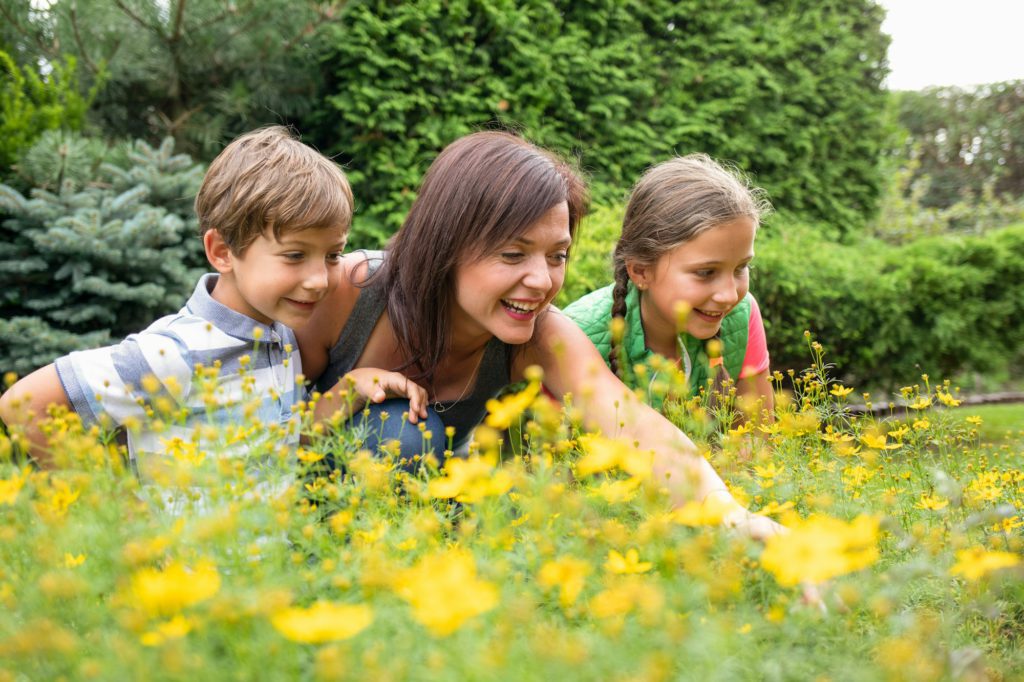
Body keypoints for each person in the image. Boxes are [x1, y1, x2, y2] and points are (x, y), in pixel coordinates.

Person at [298, 131, 781, 539]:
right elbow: (250, 418)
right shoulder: (343, 292)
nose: (542, 281)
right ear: (443, 243)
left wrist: (732, 516)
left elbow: (635, 426)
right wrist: (342, 396)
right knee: (398, 433)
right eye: (513, 255)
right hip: (293, 510)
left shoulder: (538, 333)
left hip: (421, 520)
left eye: (557, 255)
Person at [0, 126, 426, 481]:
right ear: (222, 251)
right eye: (295, 255)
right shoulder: (177, 351)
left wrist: (350, 389)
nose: (319, 279)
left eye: (333, 255)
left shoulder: (280, 340)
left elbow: (287, 446)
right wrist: (109, 509)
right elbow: (25, 405)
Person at [563, 154, 773, 419]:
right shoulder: (578, 334)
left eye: (741, 268)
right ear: (640, 270)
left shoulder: (742, 314)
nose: (729, 295)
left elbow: (755, 441)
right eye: (706, 272)